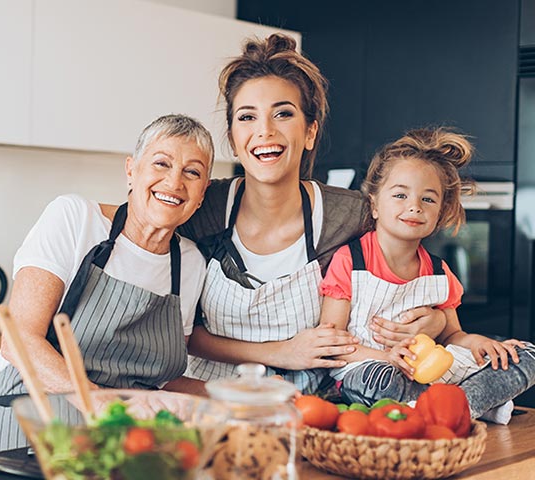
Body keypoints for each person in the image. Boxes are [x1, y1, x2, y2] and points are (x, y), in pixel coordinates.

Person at [177, 34, 446, 394]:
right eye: (247, 117)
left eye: (283, 113)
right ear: (232, 138)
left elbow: (408, 279)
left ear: (310, 131)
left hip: (308, 406)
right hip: (210, 398)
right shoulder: (204, 207)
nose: (265, 130)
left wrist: (436, 321)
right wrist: (281, 352)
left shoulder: (349, 215)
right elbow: (182, 334)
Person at [0, 114, 214, 451]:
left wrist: (238, 395)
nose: (175, 182)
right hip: (31, 424)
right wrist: (101, 403)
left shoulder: (190, 264)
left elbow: (163, 379)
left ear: (203, 192)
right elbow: (18, 341)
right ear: (131, 170)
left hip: (121, 440)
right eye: (161, 163)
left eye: (192, 172)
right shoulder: (75, 219)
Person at [319, 127, 535, 421]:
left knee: (524, 355)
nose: (414, 206)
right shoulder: (350, 260)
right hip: (372, 367)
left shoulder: (439, 272)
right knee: (376, 381)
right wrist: (387, 357)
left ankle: (452, 407)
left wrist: (479, 343)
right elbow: (332, 345)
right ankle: (466, 406)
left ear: (440, 213)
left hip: (431, 372)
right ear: (374, 205)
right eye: (400, 194)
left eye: (428, 200)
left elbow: (452, 335)